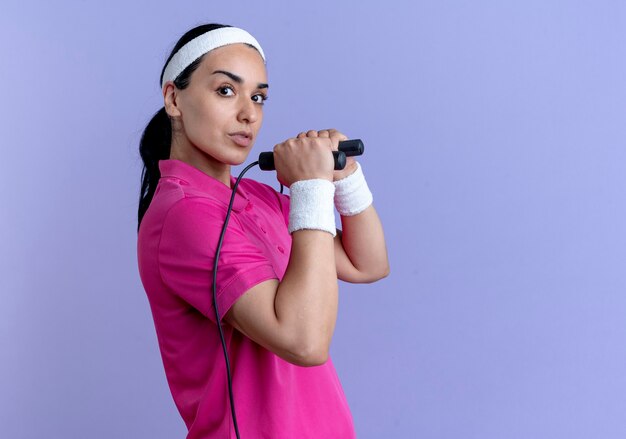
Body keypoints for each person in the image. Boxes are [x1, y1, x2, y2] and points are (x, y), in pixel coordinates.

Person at [136, 23, 389, 438]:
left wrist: (346, 179)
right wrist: (309, 189)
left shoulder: (253, 195)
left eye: (258, 97)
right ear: (173, 98)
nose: (248, 113)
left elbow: (369, 263)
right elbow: (303, 341)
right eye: (225, 90)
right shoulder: (183, 215)